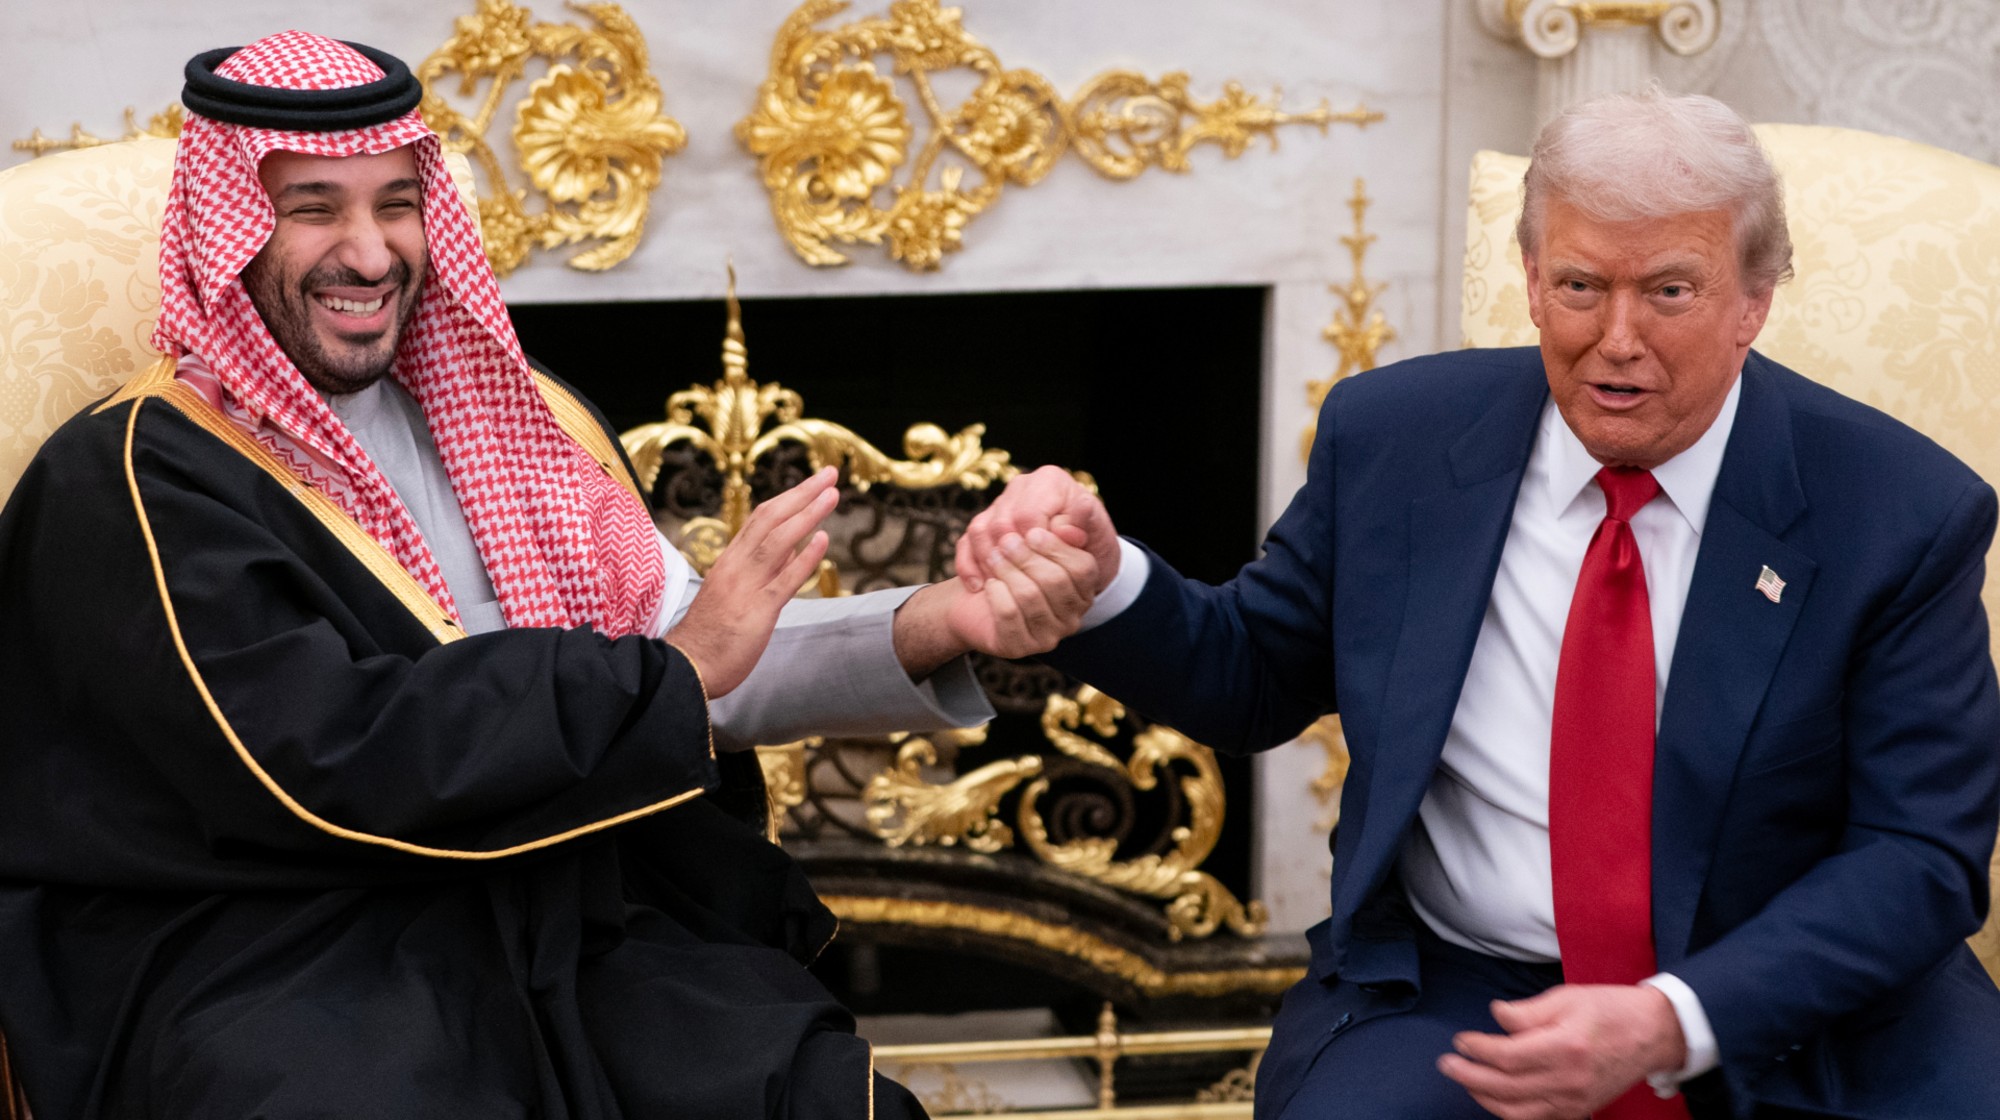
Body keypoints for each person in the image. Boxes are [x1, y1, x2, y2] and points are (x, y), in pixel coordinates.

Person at [0, 32, 1103, 1120]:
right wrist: (665, 676)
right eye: (312, 208)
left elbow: (704, 661)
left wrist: (936, 620)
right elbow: (328, 754)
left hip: (551, 911)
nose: (372, 253)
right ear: (228, 224)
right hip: (278, 950)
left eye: (394, 202)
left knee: (807, 1092)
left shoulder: (514, 423)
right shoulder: (133, 479)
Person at [958, 88, 2000, 1119]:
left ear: (1753, 298)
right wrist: (1102, 581)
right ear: (1531, 280)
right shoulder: (1398, 439)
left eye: (1670, 291)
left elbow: (1916, 855)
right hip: (1462, 989)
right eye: (1581, 284)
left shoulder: (1898, 513)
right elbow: (1253, 673)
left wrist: (1668, 1017)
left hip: (1798, 1006)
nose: (1617, 338)